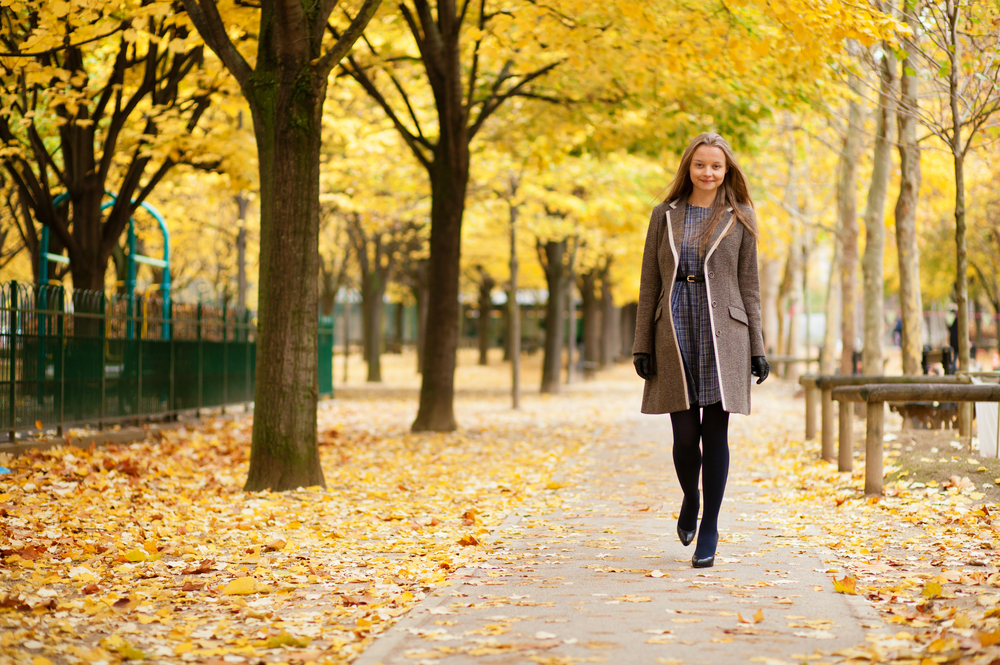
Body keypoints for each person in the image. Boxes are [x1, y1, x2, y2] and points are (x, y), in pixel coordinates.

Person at [632, 133, 768, 569]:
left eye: (716, 166)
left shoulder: (741, 215)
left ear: (727, 171)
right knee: (685, 437)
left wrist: (759, 349)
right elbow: (649, 281)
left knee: (716, 434)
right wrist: (642, 344)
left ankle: (710, 525)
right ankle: (690, 497)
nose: (708, 173)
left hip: (724, 334)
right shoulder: (664, 215)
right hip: (674, 329)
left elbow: (750, 285)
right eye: (700, 165)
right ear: (688, 168)